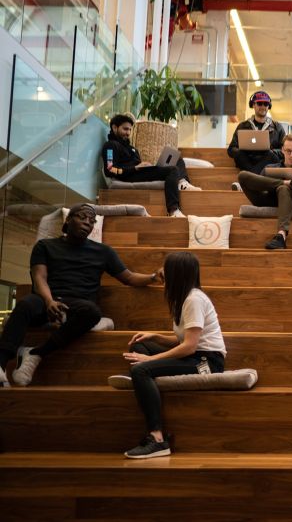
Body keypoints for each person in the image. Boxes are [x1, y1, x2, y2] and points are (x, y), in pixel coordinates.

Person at [0, 204, 163, 387]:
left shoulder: (103, 252)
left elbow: (129, 277)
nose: (88, 223)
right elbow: (39, 277)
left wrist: (152, 277)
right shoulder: (45, 246)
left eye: (92, 221)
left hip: (77, 306)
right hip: (46, 300)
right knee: (25, 305)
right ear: (68, 220)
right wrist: (49, 301)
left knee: (92, 312)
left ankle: (37, 353)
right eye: (82, 217)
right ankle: (1, 364)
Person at [121, 251, 226, 459]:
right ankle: (144, 380)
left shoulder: (194, 299)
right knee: (141, 346)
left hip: (207, 361)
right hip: (195, 354)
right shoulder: (184, 297)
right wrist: (155, 336)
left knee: (142, 369)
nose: (162, 273)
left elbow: (189, 347)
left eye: (166, 269)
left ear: (176, 274)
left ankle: (157, 439)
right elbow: (181, 340)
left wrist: (150, 361)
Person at [102, 113, 201, 218]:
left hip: (140, 172)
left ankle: (182, 182)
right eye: (125, 129)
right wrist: (134, 168)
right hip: (130, 176)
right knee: (172, 170)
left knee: (175, 157)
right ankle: (173, 210)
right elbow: (110, 169)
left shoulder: (132, 148)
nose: (128, 133)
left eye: (130, 130)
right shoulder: (110, 146)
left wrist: (145, 166)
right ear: (114, 127)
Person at [237, 134, 292, 250]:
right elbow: (259, 186)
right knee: (242, 175)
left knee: (284, 188)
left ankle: (281, 236)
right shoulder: (270, 167)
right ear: (282, 149)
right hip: (268, 198)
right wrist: (284, 182)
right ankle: (283, 183)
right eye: (288, 151)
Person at [227, 90, 287, 183]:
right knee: (239, 155)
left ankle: (248, 182)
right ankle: (256, 180)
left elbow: (284, 150)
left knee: (271, 155)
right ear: (253, 105)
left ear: (269, 106)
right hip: (248, 159)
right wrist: (243, 149)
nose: (263, 106)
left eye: (266, 104)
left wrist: (272, 151)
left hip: (267, 159)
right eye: (259, 103)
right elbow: (231, 149)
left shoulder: (277, 127)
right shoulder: (243, 126)